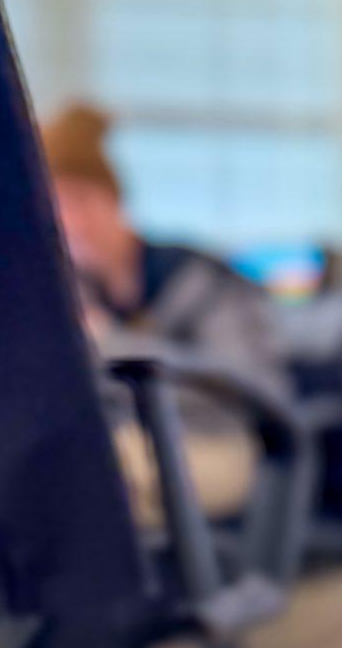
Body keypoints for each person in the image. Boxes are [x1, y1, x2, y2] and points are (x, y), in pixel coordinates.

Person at [41, 101, 287, 516]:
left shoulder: (200, 280)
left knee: (85, 477)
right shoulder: (76, 291)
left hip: (215, 444)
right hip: (128, 444)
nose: (70, 221)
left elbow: (256, 388)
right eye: (57, 206)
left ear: (111, 199)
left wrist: (113, 344)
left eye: (79, 201)